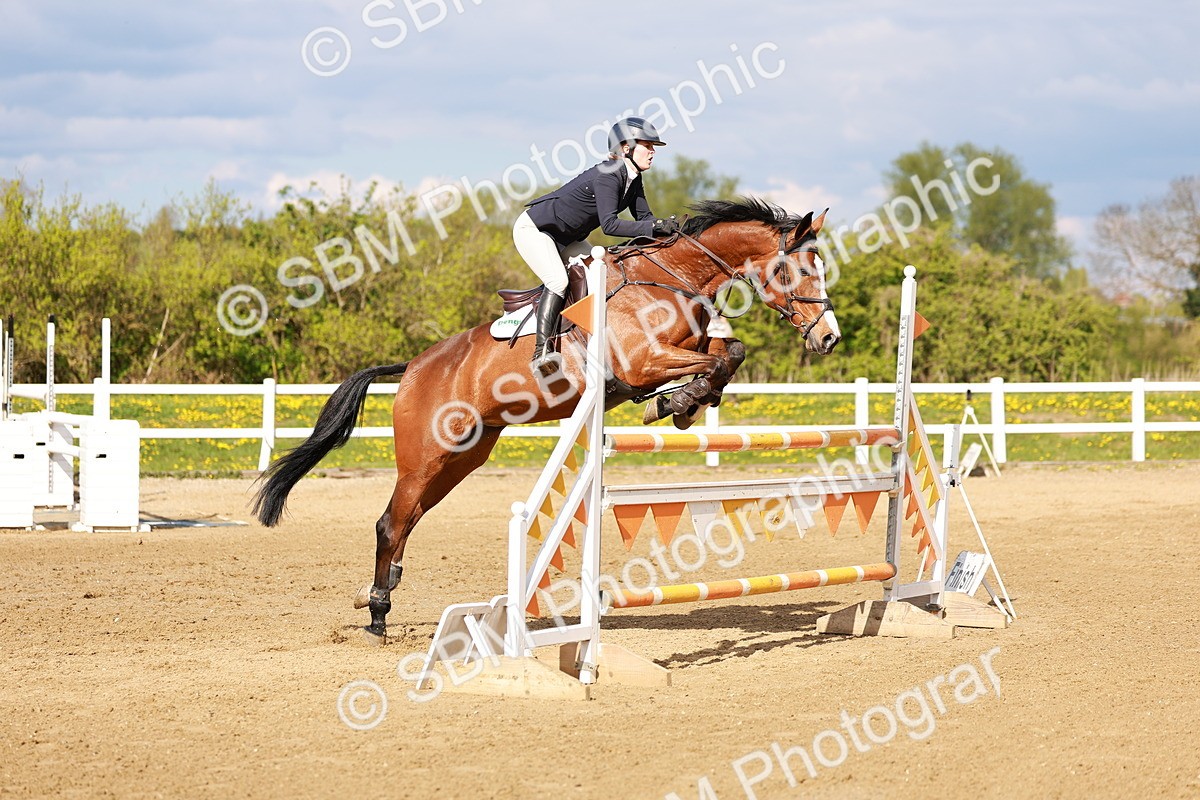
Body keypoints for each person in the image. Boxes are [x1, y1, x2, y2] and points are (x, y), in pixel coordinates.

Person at [513, 115, 681, 376]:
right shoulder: (609, 175)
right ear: (626, 148)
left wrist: (671, 233)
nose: (652, 152)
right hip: (536, 230)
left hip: (569, 238)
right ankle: (542, 353)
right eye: (647, 146)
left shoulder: (633, 178)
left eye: (653, 147)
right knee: (558, 281)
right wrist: (653, 227)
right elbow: (610, 225)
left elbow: (645, 219)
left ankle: (589, 347)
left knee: (603, 277)